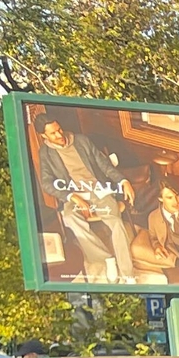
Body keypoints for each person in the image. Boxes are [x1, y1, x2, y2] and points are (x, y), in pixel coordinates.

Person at [32, 116, 136, 283]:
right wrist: (72, 196)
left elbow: (104, 164)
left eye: (59, 129)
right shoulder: (45, 153)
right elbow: (46, 182)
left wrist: (123, 181)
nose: (59, 134)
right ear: (44, 136)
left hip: (98, 190)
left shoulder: (81, 141)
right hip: (74, 195)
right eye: (53, 133)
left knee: (115, 222)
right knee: (70, 218)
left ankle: (127, 273)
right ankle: (107, 259)